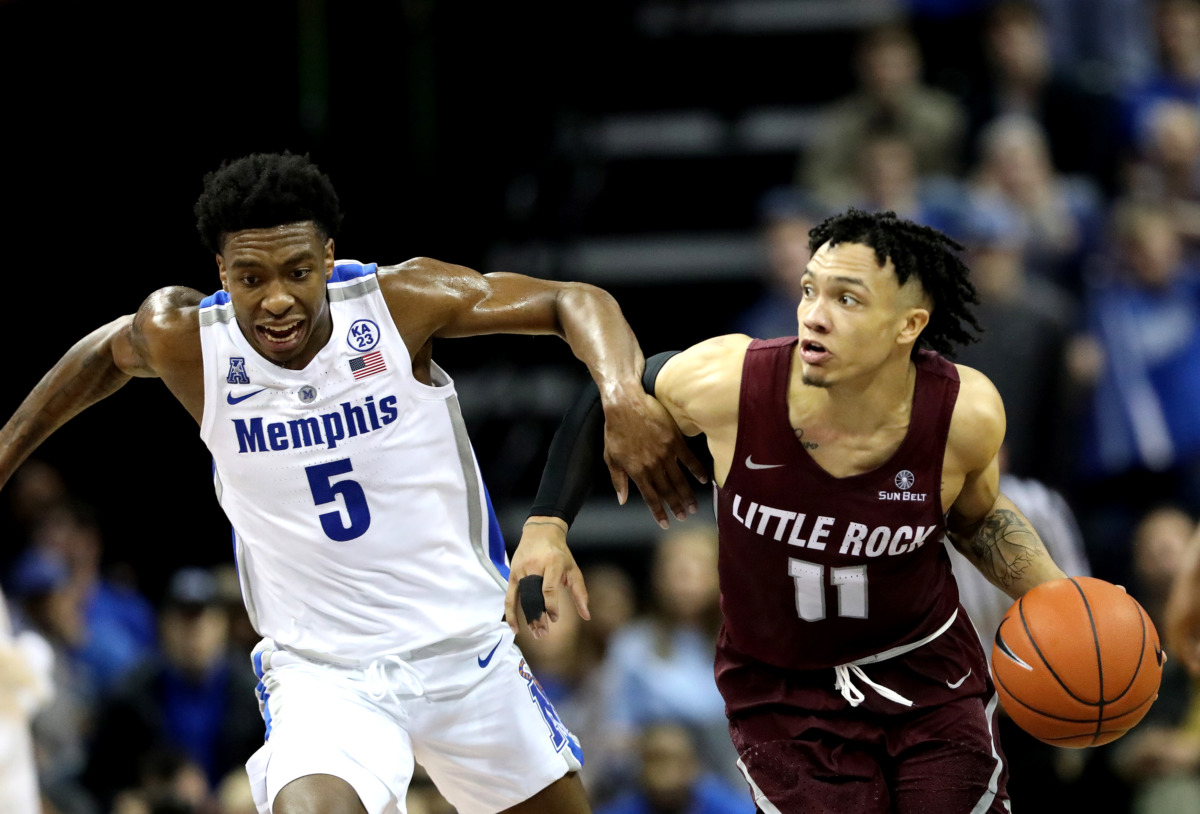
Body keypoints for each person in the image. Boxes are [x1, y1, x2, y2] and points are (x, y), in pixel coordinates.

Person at [0, 152, 704, 814]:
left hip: (465, 651)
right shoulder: (193, 343)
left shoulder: (398, 304)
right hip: (323, 674)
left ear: (328, 258)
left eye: (297, 272)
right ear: (221, 272)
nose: (276, 299)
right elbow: (105, 354)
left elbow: (573, 301)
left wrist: (620, 394)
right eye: (250, 279)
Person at [511, 209, 1069, 813]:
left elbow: (978, 518)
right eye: (809, 289)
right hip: (782, 694)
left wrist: (1067, 602)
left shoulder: (965, 411)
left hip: (926, 677)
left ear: (909, 325)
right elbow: (612, 394)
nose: (814, 314)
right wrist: (546, 526)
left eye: (847, 299)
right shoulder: (730, 383)